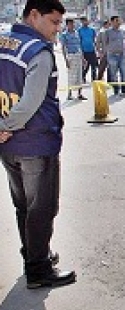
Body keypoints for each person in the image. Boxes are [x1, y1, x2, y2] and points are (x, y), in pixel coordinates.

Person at [0, 0, 76, 289]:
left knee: (23, 205)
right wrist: (7, 126)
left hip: (8, 146)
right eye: (54, 22)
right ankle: (38, 269)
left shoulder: (5, 43)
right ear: (34, 15)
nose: (57, 29)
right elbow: (31, 101)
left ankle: (33, 254)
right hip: (35, 142)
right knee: (42, 208)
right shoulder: (38, 52)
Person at [60, 18, 86, 100]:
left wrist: (83, 58)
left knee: (79, 75)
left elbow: (79, 46)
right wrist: (66, 60)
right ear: (67, 25)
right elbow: (63, 48)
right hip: (70, 55)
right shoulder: (64, 35)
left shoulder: (76, 33)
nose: (72, 25)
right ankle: (69, 94)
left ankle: (79, 93)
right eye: (70, 24)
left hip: (78, 55)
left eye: (73, 24)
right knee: (71, 76)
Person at [106, 15, 125, 96]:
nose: (118, 22)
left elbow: (124, 42)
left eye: (119, 21)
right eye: (116, 21)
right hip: (112, 55)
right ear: (111, 22)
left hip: (122, 55)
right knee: (114, 73)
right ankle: (116, 89)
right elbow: (105, 43)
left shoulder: (122, 31)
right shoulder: (107, 32)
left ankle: (124, 89)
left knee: (124, 72)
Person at [78, 16, 97, 82]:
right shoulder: (79, 31)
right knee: (85, 67)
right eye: (83, 21)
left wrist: (97, 49)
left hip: (92, 50)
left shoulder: (92, 30)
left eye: (86, 20)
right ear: (81, 22)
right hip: (84, 51)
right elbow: (79, 41)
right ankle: (83, 77)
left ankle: (94, 79)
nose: (85, 22)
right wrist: (81, 51)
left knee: (94, 66)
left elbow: (94, 40)